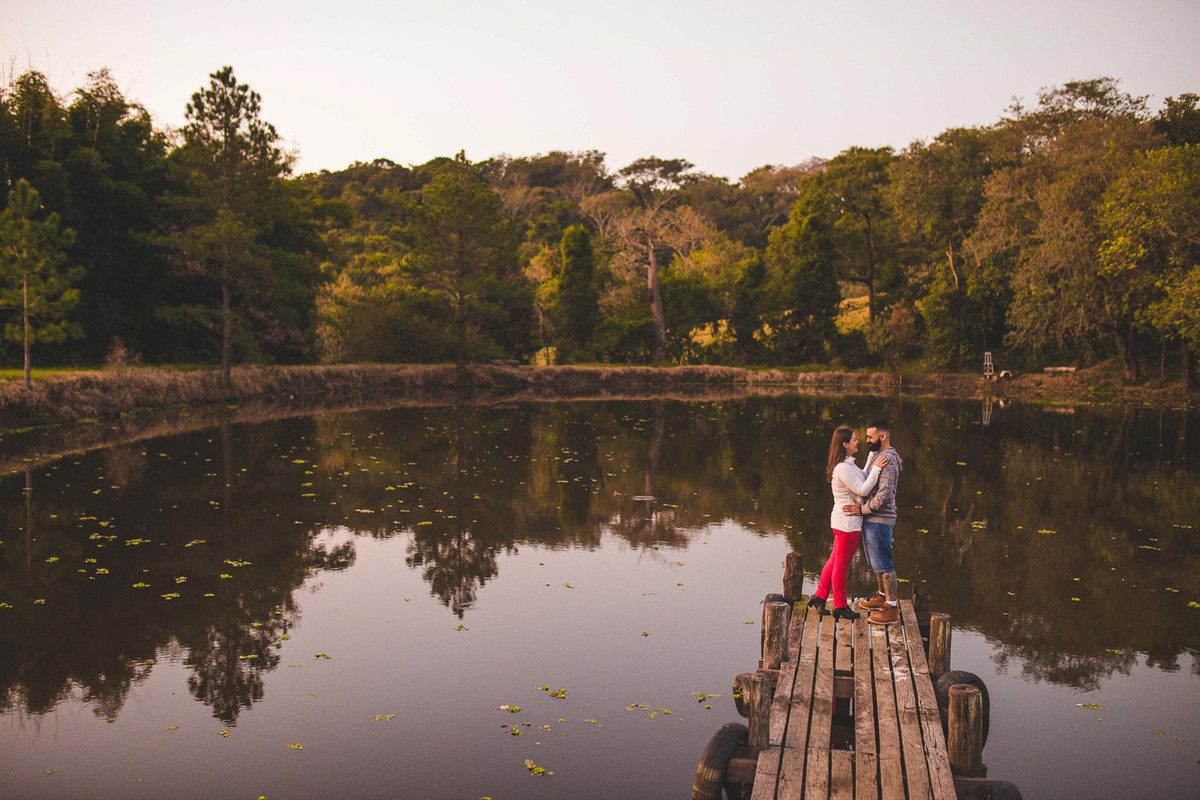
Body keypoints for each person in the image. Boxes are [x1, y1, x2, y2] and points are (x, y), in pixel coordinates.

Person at [806, 427, 888, 620]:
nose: (857, 441)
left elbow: (861, 475)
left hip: (845, 523)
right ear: (845, 444)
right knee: (841, 566)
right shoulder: (843, 468)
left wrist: (870, 459)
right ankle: (840, 606)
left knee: (834, 561)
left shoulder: (847, 465)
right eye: (853, 439)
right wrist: (877, 468)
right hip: (847, 525)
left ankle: (820, 595)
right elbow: (863, 490)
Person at [848, 419, 904, 625]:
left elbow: (884, 496)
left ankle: (891, 608)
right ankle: (882, 596)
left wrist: (861, 509)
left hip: (880, 520)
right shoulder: (877, 455)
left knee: (885, 564)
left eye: (870, 437)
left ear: (883, 437)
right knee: (877, 563)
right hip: (871, 519)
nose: (867, 441)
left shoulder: (888, 459)